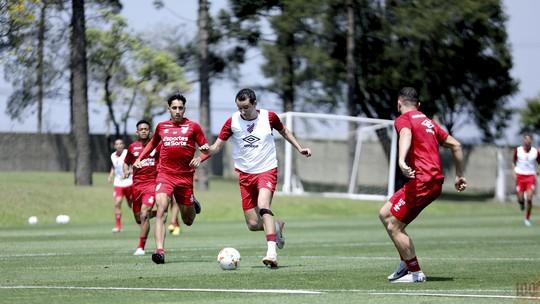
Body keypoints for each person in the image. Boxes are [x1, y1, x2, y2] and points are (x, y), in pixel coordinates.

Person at [199, 88, 311, 268]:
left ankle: (271, 253)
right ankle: (276, 226)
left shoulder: (269, 117)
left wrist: (300, 148)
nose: (242, 111)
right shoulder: (232, 122)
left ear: (254, 104)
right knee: (252, 224)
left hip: (267, 170)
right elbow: (216, 147)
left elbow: (285, 132)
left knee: (263, 206)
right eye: (239, 108)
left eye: (245, 107)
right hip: (245, 174)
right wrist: (206, 152)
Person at [379, 87, 467, 283]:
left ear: (399, 103)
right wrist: (460, 175)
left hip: (422, 181)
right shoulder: (429, 122)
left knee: (394, 225)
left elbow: (406, 135)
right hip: (432, 182)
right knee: (385, 213)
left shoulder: (404, 119)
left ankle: (415, 272)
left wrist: (401, 161)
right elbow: (456, 145)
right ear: (418, 105)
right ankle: (405, 262)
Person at [134, 93, 207, 264]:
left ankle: (192, 202)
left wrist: (201, 158)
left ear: (184, 109)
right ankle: (160, 251)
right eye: (174, 108)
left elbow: (206, 148)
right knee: (161, 210)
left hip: (185, 178)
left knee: (188, 220)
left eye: (180, 108)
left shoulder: (193, 127)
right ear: (169, 109)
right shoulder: (161, 127)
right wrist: (140, 159)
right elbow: (152, 144)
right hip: (165, 175)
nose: (177, 111)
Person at [123, 120, 159, 256]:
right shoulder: (132, 147)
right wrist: (126, 171)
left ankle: (140, 247)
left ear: (150, 132)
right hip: (136, 187)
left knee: (144, 215)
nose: (144, 131)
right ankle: (158, 213)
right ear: (137, 132)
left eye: (146, 129)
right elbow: (126, 163)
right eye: (141, 129)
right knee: (139, 218)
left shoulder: (156, 147)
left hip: (152, 185)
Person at [512, 133, 540, 227]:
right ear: (523, 141)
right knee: (520, 199)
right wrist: (514, 171)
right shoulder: (518, 150)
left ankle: (527, 218)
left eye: (529, 140)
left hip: (530, 177)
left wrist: (538, 170)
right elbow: (514, 161)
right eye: (526, 139)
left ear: (531, 141)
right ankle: (521, 203)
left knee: (529, 198)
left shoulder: (535, 151)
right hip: (520, 176)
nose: (527, 141)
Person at [108, 138, 133, 233]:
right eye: (117, 144)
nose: (119, 145)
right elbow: (114, 166)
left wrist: (128, 172)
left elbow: (134, 165)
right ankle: (118, 226)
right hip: (118, 183)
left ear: (123, 145)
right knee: (117, 202)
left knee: (131, 205)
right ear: (114, 146)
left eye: (121, 144)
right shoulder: (112, 156)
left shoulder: (127, 153)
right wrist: (111, 175)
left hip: (129, 182)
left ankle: (142, 221)